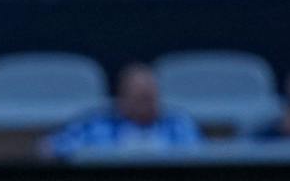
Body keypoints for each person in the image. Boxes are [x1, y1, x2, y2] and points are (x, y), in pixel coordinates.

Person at [46, 62, 201, 159]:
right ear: (122, 99)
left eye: (151, 98)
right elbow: (49, 148)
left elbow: (202, 156)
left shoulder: (178, 124)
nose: (147, 105)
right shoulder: (94, 124)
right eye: (140, 99)